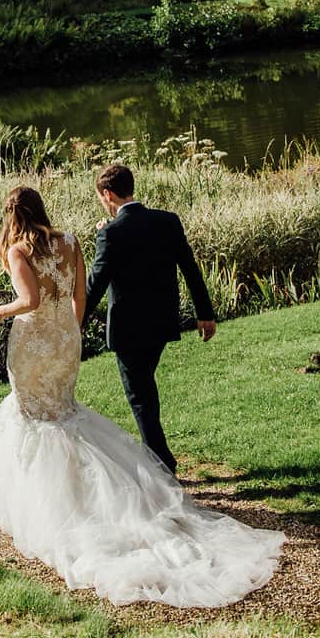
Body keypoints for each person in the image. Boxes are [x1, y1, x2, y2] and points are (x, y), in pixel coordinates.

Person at [0, 183, 282, 608]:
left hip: (33, 345)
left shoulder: (18, 251)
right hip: (65, 340)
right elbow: (80, 296)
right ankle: (85, 490)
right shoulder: (70, 241)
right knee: (63, 413)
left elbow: (27, 301)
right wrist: (71, 333)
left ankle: (52, 504)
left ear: (11, 216)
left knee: (34, 418)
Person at [83, 160, 215, 473]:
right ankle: (159, 458)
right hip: (161, 321)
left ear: (108, 194)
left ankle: (162, 465)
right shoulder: (167, 221)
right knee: (145, 388)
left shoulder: (111, 234)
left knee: (139, 396)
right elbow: (190, 269)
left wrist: (75, 322)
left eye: (102, 197)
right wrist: (205, 314)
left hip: (130, 329)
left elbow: (96, 283)